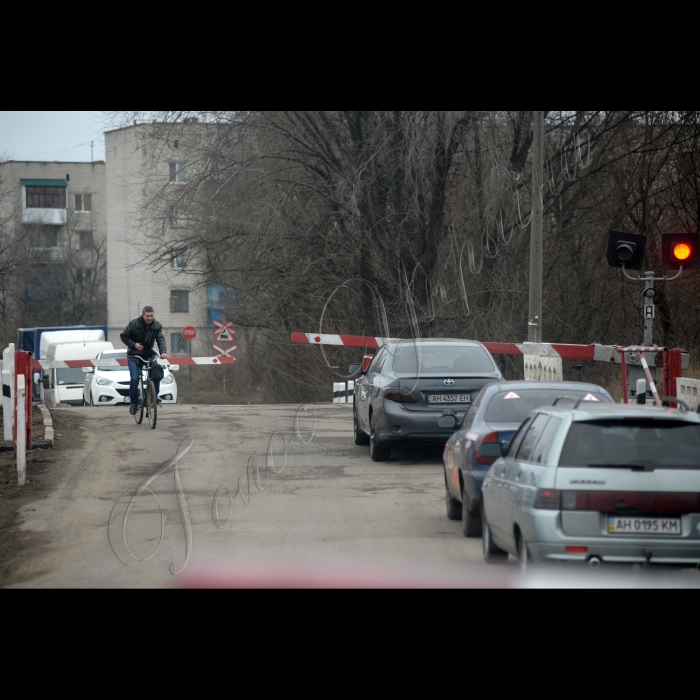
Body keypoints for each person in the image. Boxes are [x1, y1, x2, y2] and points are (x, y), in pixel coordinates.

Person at [120, 306, 168, 415]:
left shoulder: (157, 326)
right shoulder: (133, 324)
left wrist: (163, 352)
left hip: (148, 354)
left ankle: (154, 396)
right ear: (143, 315)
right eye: (148, 316)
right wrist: (134, 345)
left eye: (152, 315)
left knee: (156, 372)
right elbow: (124, 336)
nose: (150, 318)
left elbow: (160, 339)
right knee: (135, 378)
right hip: (134, 355)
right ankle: (134, 403)